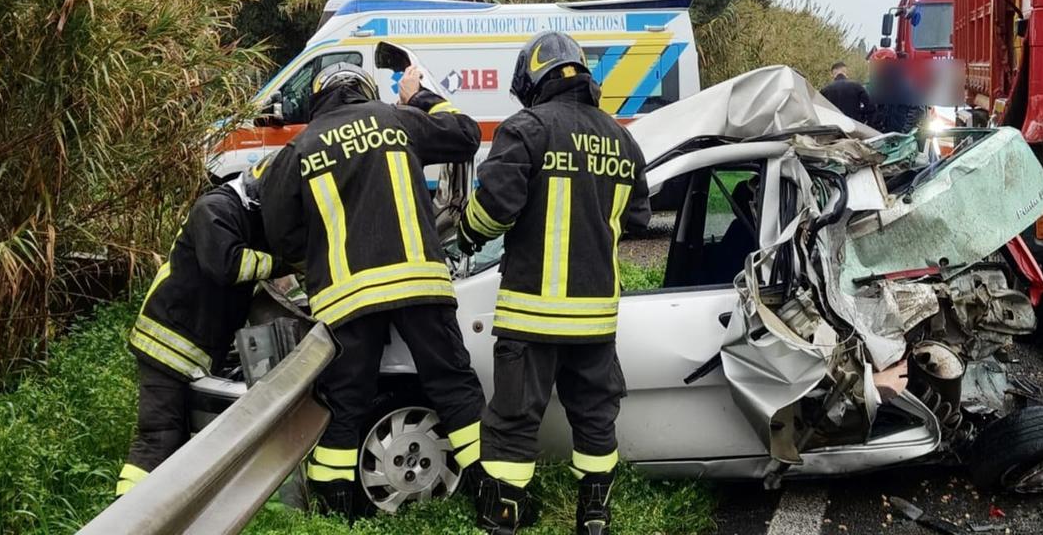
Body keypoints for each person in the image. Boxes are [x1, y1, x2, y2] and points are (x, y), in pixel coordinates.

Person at [259, 62, 486, 520]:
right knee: (452, 384)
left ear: (319, 99)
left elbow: (280, 235)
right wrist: (420, 95)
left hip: (346, 299)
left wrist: (315, 267)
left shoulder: (297, 149)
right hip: (419, 283)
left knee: (345, 399)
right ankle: (491, 489)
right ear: (364, 90)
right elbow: (465, 134)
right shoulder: (394, 120)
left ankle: (333, 506)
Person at [457, 31, 651, 535]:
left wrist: (464, 234)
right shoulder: (622, 139)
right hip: (595, 320)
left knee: (514, 423)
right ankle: (594, 518)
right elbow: (640, 218)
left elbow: (493, 211)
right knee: (595, 420)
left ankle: (503, 517)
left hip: (531, 315)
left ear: (534, 81)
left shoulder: (526, 128)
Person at [116, 162, 283, 496]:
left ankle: (163, 512)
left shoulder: (240, 215)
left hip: (188, 343)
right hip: (168, 341)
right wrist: (283, 262)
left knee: (176, 438)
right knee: (158, 435)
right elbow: (228, 265)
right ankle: (126, 514)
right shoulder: (215, 209)